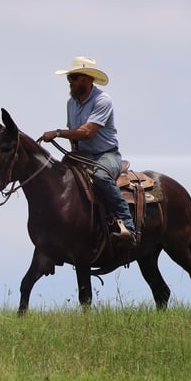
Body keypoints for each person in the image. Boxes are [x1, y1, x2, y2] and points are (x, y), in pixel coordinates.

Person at [40, 56, 136, 246]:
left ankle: (129, 227)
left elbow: (87, 132)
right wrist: (72, 153)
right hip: (82, 155)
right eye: (70, 78)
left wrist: (58, 133)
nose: (70, 82)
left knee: (101, 177)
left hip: (107, 154)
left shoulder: (103, 100)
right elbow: (75, 136)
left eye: (73, 78)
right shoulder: (71, 103)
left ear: (87, 79)